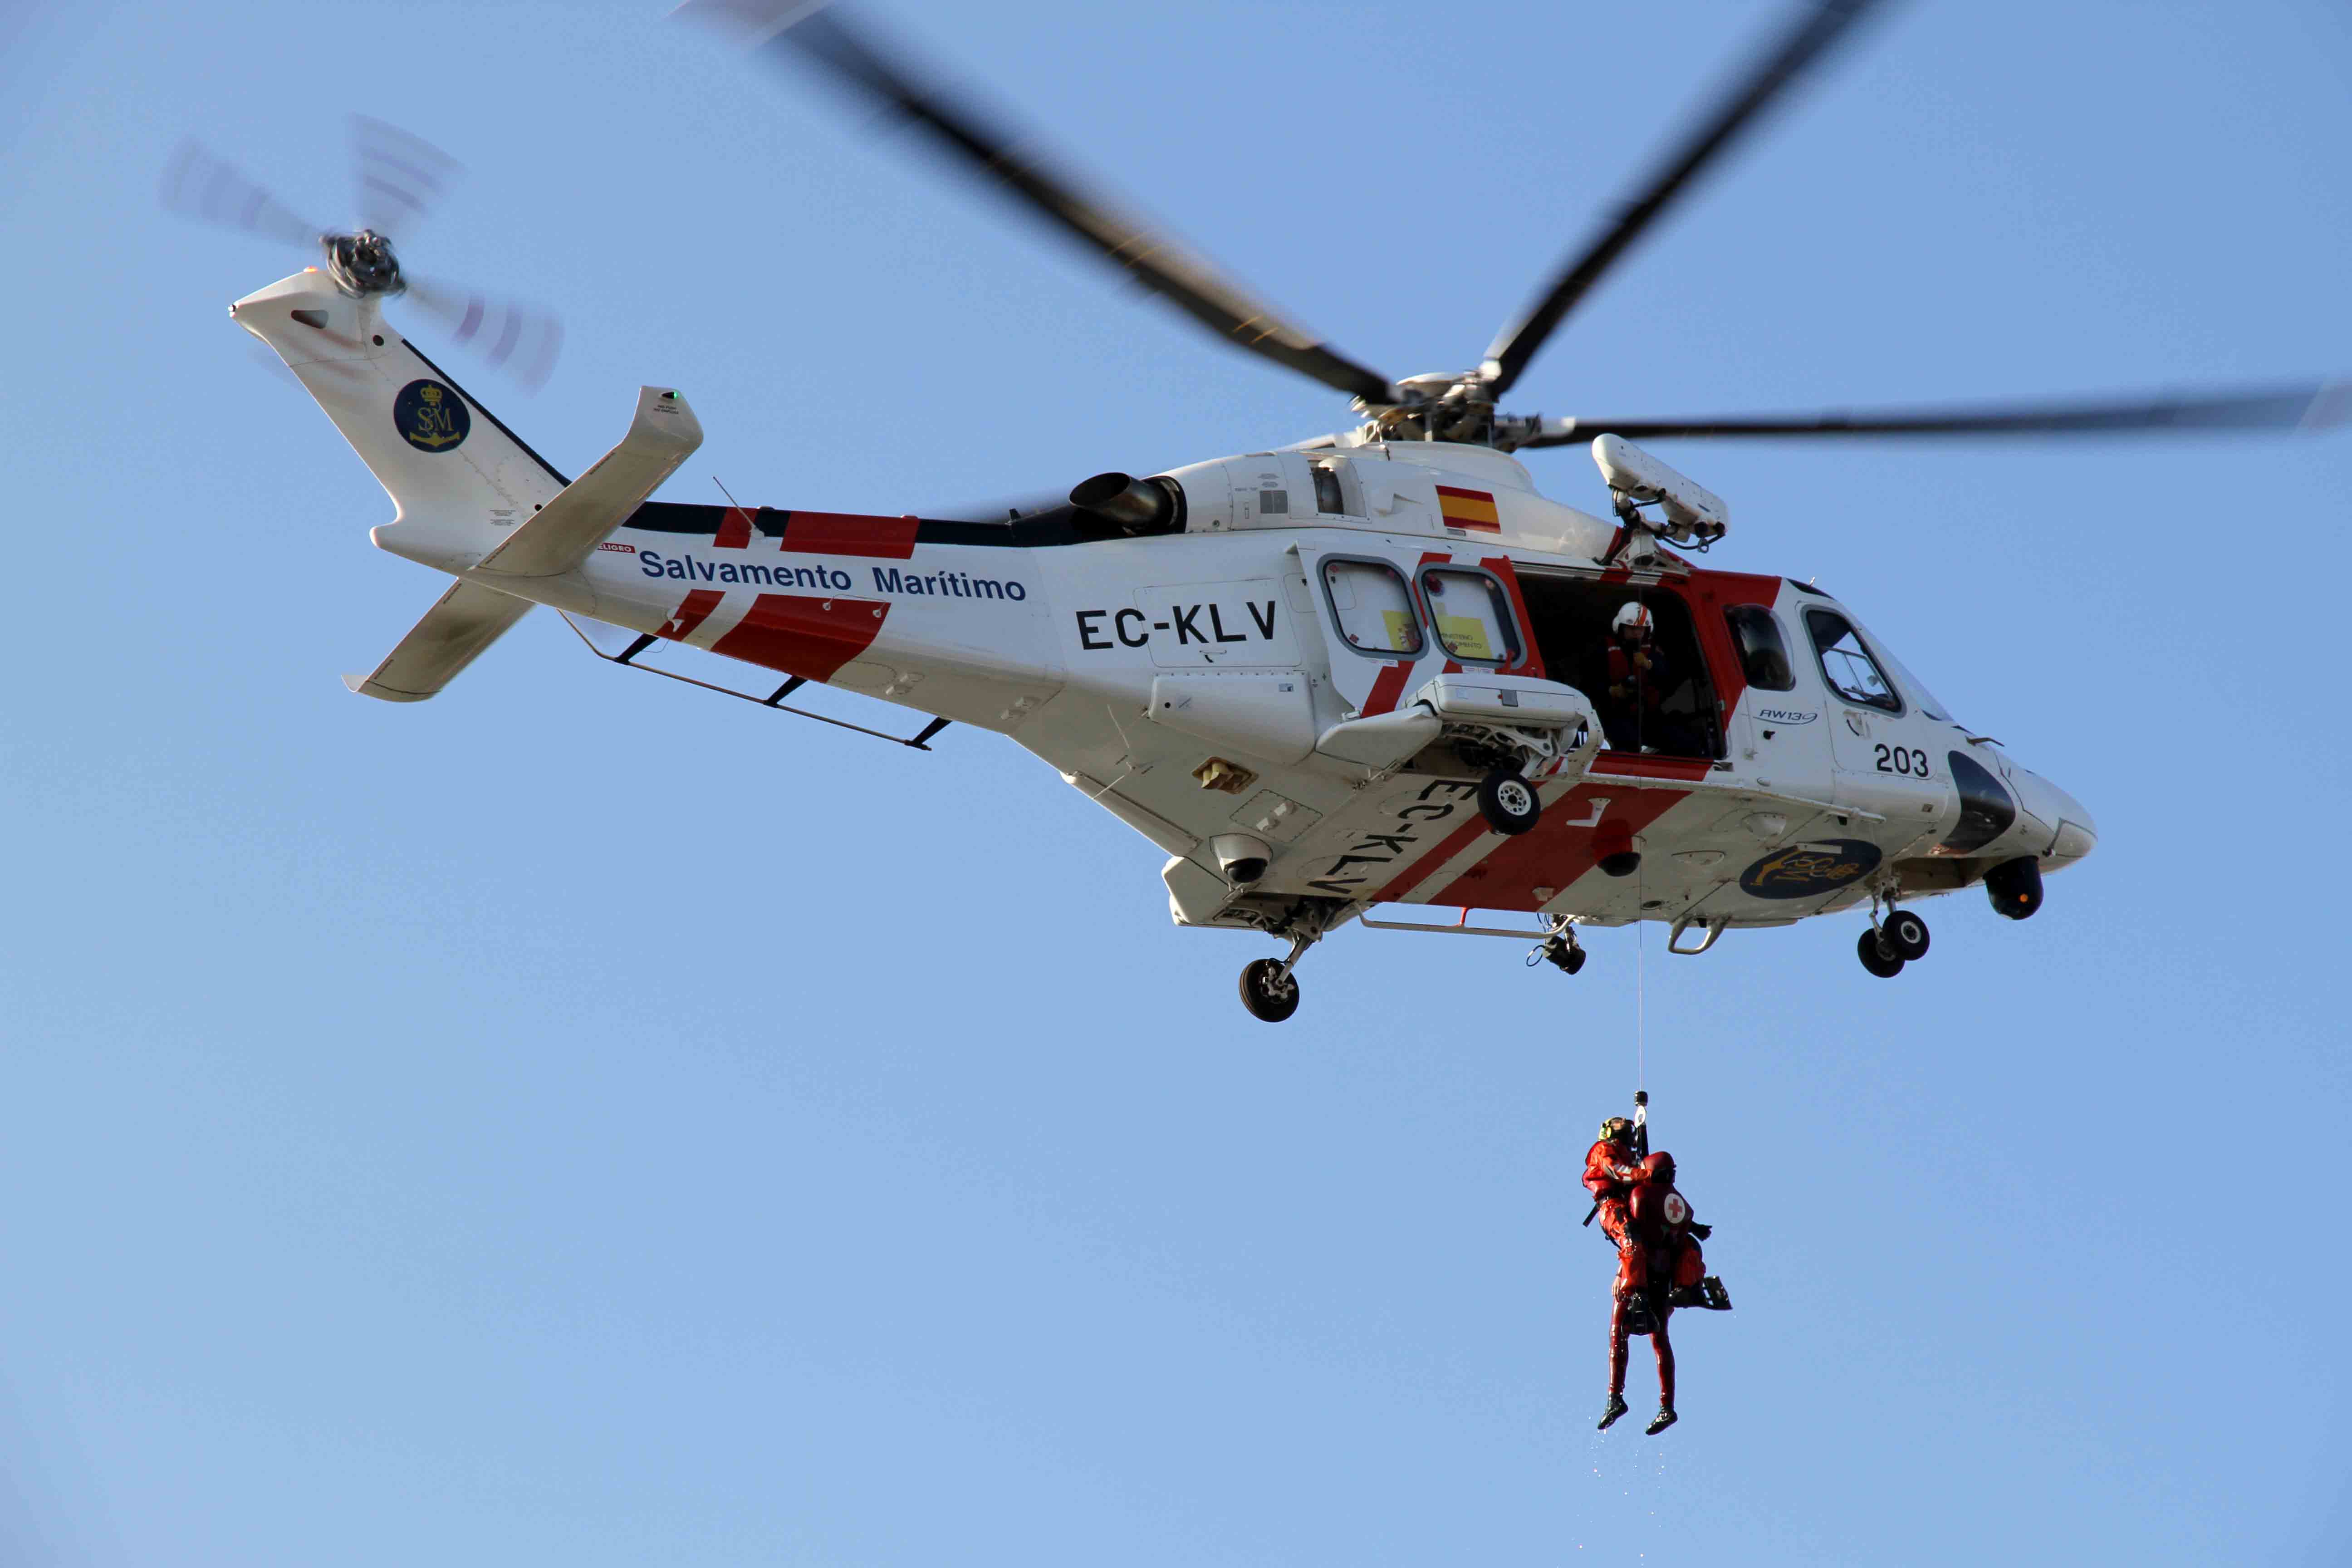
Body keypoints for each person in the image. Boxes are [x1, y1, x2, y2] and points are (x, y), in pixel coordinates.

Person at [1598, 1150, 1714, 1436]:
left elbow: (1632, 1237)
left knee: (1618, 1332)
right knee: (1661, 1341)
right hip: (1666, 1281)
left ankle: (1615, 1397)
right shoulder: (1682, 1206)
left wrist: (1620, 1274)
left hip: (1640, 1278)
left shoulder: (1640, 1197)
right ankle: (1667, 1406)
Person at [1600, 601, 1672, 752]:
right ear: (1620, 627)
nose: (1637, 633)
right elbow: (1590, 683)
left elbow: (1667, 678)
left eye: (1641, 629)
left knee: (1679, 740)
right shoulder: (1603, 650)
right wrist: (1611, 691)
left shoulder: (1653, 650)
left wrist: (1650, 665)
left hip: (1649, 716)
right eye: (1632, 629)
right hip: (1615, 715)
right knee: (1628, 741)